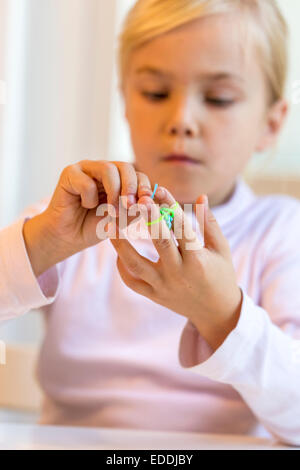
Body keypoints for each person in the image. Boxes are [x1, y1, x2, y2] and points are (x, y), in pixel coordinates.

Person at [1, 0, 300, 446]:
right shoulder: (71, 215)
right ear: (124, 101)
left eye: (218, 98)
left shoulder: (281, 232)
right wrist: (41, 245)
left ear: (271, 124)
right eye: (156, 93)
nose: (180, 121)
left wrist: (220, 313)